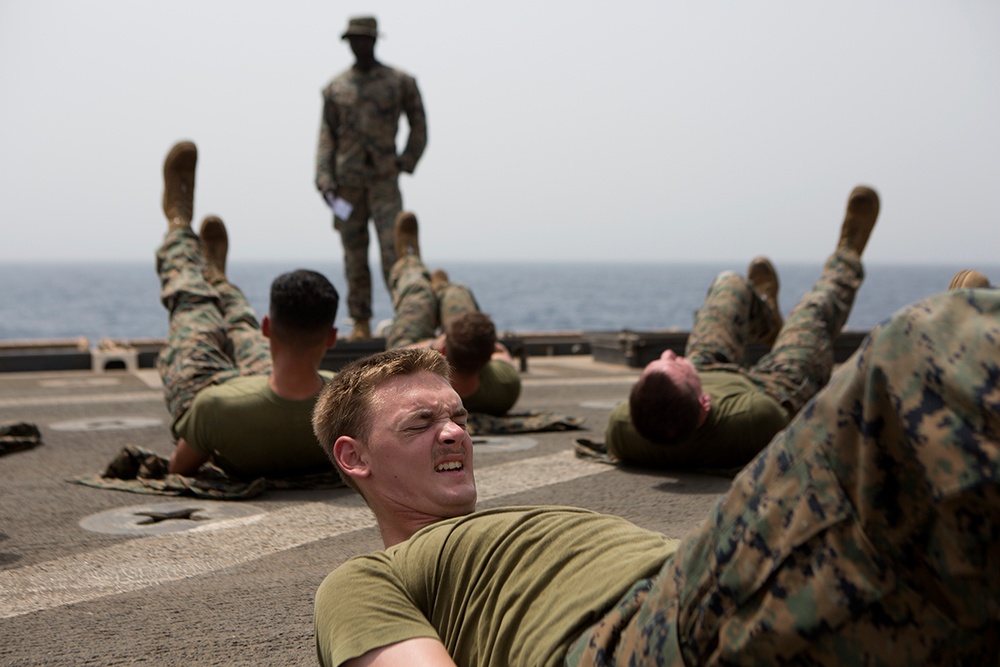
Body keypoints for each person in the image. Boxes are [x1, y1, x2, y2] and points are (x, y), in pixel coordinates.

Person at [311, 283, 1000, 665]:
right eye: (420, 423)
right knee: (924, 348)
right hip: (636, 632)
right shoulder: (367, 580)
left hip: (711, 600)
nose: (456, 430)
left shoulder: (507, 528)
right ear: (354, 457)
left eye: (457, 414)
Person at [605, 185, 880, 471]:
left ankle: (768, 321)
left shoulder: (623, 429)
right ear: (706, 404)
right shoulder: (755, 419)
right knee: (816, 311)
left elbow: (644, 414)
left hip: (708, 371)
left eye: (661, 365)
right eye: (675, 364)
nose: (668, 354)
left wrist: (690, 374)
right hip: (773, 385)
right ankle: (848, 253)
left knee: (729, 284)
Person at [157, 140, 339, 478]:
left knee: (194, 305)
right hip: (264, 385)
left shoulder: (213, 408)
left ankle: (178, 224)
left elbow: (178, 468)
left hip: (218, 394)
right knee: (236, 324)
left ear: (267, 326)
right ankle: (218, 278)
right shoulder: (347, 405)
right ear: (332, 338)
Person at [315, 15, 428, 341]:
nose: (358, 44)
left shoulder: (399, 82)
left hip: (383, 182)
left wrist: (406, 161)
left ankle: (407, 318)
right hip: (346, 187)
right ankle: (360, 321)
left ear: (374, 40)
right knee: (354, 255)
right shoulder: (335, 88)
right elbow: (326, 137)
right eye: (353, 39)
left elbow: (419, 124)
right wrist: (323, 179)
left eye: (363, 38)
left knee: (395, 251)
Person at [384, 210, 520, 416]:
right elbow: (502, 354)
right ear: (486, 359)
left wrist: (431, 345)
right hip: (458, 354)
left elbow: (390, 357)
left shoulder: (412, 392)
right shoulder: (506, 387)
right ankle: (442, 289)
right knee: (460, 302)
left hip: (418, 356)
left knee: (416, 291)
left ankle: (409, 260)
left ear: (443, 351)